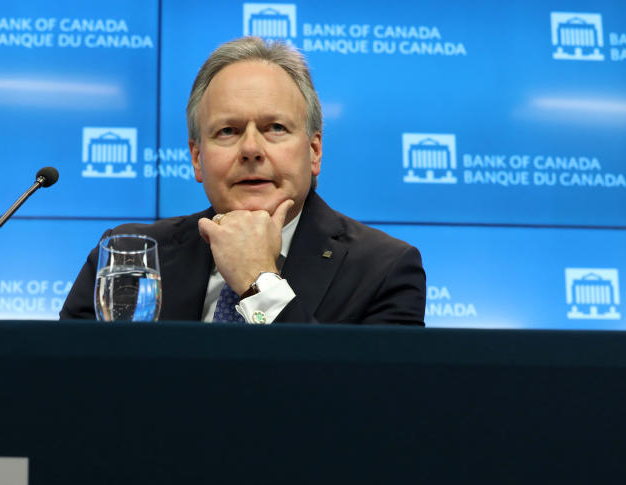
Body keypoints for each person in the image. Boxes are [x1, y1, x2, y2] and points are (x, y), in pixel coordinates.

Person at [60, 36, 425, 325]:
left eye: (275, 128)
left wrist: (258, 281)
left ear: (314, 151)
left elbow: (365, 404)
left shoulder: (384, 270)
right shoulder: (129, 258)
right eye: (228, 131)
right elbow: (65, 388)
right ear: (197, 158)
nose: (251, 149)